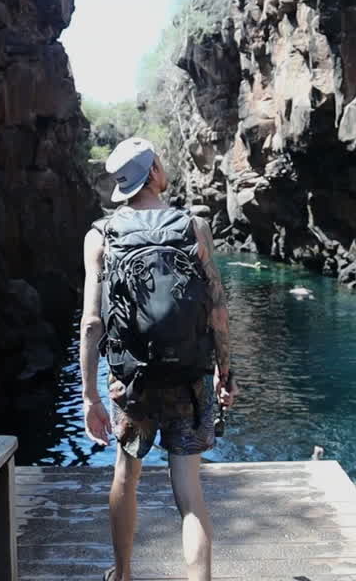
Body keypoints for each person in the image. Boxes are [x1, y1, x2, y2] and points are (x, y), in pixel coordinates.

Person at [78, 137, 236, 581]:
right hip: (190, 375)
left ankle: (123, 574)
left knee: (126, 474)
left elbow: (93, 323)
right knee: (189, 492)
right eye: (161, 163)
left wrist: (89, 394)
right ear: (153, 174)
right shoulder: (194, 226)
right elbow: (218, 310)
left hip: (131, 383)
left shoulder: (101, 236)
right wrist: (226, 372)